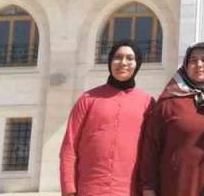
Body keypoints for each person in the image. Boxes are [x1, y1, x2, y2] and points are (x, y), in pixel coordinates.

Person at [140, 42, 204, 196]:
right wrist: (148, 187)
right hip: (178, 185)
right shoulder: (170, 99)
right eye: (193, 60)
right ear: (186, 65)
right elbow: (151, 147)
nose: (199, 64)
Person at [60, 40, 154, 196]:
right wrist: (69, 188)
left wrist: (149, 188)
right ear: (110, 62)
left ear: (137, 64)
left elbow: (151, 152)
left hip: (129, 191)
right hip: (90, 190)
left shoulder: (147, 103)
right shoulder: (88, 99)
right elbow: (69, 147)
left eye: (130, 58)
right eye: (117, 57)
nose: (123, 63)